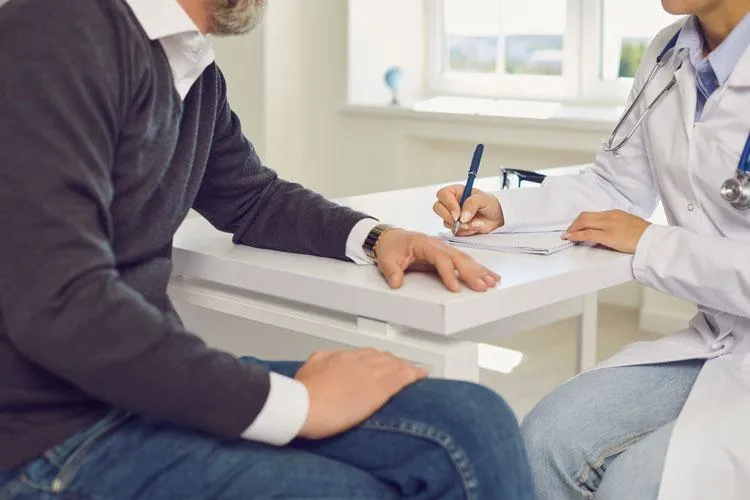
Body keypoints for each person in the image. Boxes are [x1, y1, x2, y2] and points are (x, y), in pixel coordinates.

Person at [0, 0, 537, 498]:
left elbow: (252, 198)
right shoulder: (56, 31)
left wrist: (379, 238)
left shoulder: (190, 68)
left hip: (136, 392)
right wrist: (301, 407)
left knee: (475, 420)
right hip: (48, 434)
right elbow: (62, 302)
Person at [434, 1, 750, 499]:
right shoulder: (669, 51)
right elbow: (616, 187)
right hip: (722, 340)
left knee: (633, 486)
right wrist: (506, 209)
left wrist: (651, 242)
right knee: (544, 441)